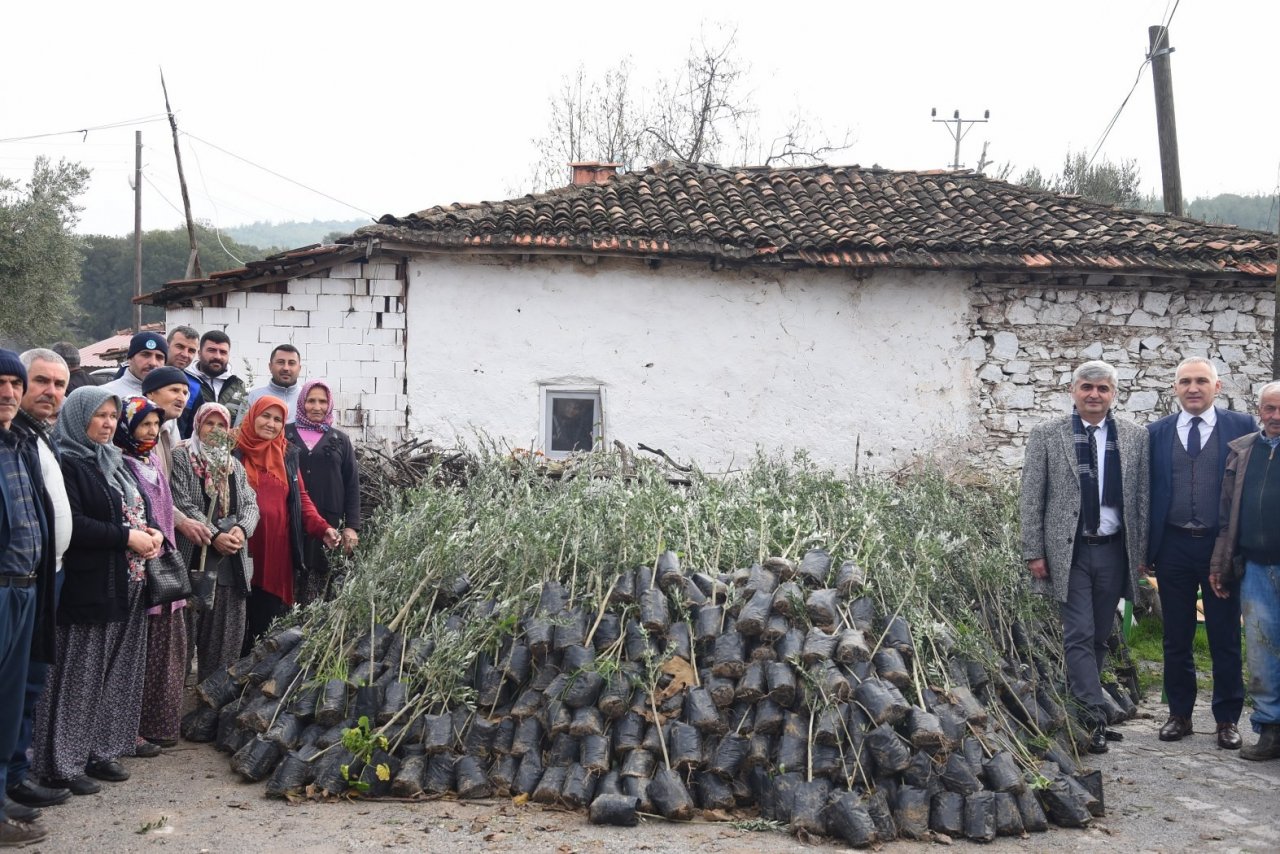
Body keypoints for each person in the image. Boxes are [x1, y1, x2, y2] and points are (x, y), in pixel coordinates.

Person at [30, 387, 162, 796]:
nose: (108, 424)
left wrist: (152, 531)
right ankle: (62, 763)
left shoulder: (113, 461)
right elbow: (74, 524)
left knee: (116, 673)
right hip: (90, 584)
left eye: (112, 416)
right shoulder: (67, 462)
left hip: (129, 582)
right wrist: (127, 537)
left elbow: (135, 508)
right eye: (99, 415)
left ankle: (101, 750)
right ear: (78, 417)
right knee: (80, 677)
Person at [1020, 359, 1149, 754]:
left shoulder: (1134, 436)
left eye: (1103, 388)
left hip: (1113, 550)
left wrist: (1141, 552)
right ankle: (1094, 717)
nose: (1094, 395)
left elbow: (1141, 497)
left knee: (1098, 634)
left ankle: (1083, 708)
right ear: (1073, 391)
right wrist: (1033, 550)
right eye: (1087, 387)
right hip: (1069, 552)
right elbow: (1031, 495)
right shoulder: (1047, 434)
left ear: (1114, 394)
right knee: (1077, 632)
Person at [1146, 357, 1255, 749]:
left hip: (1219, 545)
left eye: (1201, 381)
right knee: (1176, 636)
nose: (1193, 388)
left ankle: (1227, 719)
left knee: (1225, 635)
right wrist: (1146, 547)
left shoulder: (1242, 427)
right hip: (1172, 545)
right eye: (1185, 381)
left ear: (1217, 387)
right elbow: (1147, 491)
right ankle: (1180, 715)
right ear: (1175, 387)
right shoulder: (1156, 432)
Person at [6, 351, 72, 816]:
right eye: (40, 381)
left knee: (26, 684)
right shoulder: (16, 438)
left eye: (59, 384)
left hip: (44, 578)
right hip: (15, 584)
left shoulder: (35, 437)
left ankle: (14, 776)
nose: (51, 392)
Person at [1209, 381, 1280, 761]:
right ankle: (1270, 730)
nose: (1276, 416)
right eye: (1269, 408)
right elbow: (1226, 518)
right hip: (1255, 568)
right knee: (1262, 652)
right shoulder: (1243, 451)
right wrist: (1220, 566)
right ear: (1259, 410)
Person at [0, 350, 54, 846]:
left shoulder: (18, 443)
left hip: (26, 587)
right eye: (1, 383)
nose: (8, 392)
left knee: (9, 700)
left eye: (14, 384)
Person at [235, 397, 338, 652]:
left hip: (275, 553)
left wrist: (322, 527)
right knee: (234, 622)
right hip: (239, 550)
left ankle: (252, 674)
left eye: (277, 419)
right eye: (265, 416)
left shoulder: (287, 453)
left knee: (265, 621)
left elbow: (300, 498)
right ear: (253, 416)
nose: (270, 424)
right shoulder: (235, 450)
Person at [114, 398, 188, 751]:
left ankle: (161, 724)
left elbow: (165, 509)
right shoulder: (119, 463)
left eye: (155, 425)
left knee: (167, 653)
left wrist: (165, 544)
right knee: (137, 655)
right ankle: (131, 729)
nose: (150, 431)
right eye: (144, 424)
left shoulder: (153, 461)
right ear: (127, 427)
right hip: (137, 566)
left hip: (163, 563)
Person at [171, 405, 259, 684]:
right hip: (193, 560)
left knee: (223, 643)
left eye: (222, 425)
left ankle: (210, 702)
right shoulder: (182, 457)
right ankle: (176, 702)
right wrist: (214, 535)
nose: (215, 430)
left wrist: (241, 530)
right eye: (209, 424)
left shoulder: (233, 463)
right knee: (183, 640)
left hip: (229, 565)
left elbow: (250, 503)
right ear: (197, 425)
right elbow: (181, 502)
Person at [285, 380, 360, 605]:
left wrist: (351, 526)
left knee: (320, 582)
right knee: (289, 575)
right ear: (302, 402)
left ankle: (312, 624)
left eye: (322, 401)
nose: (317, 407)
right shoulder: (285, 434)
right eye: (311, 401)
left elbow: (352, 484)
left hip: (329, 521)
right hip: (290, 519)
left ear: (329, 405)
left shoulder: (340, 440)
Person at [180, 331, 248, 439]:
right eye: (211, 350)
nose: (217, 356)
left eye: (223, 352)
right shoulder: (185, 381)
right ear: (199, 353)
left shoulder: (238, 386)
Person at [100, 331, 168, 399]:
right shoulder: (106, 395)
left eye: (159, 357)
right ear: (130, 359)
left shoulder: (170, 396)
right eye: (145, 355)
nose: (153, 363)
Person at [246, 345, 304, 423]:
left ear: (299, 369)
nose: (286, 368)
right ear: (270, 367)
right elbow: (240, 429)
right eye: (280, 362)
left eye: (291, 363)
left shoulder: (308, 398)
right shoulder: (253, 397)